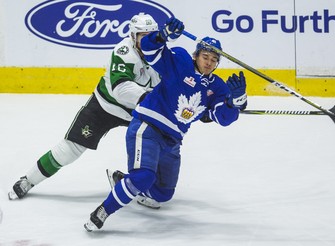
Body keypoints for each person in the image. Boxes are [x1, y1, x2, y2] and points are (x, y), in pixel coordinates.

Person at [84, 16, 248, 231]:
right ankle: (103, 211)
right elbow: (148, 48)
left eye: (213, 59)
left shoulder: (217, 87)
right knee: (144, 177)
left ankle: (124, 182)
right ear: (196, 55)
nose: (208, 62)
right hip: (148, 126)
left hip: (172, 141)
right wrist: (162, 35)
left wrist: (235, 101)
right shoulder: (179, 61)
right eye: (205, 56)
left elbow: (224, 118)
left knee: (162, 194)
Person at [7, 13, 162, 208]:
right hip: (105, 107)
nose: (147, 40)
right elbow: (121, 89)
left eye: (151, 35)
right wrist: (152, 99)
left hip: (138, 111)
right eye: (142, 35)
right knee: (69, 150)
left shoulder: (161, 55)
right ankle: (29, 179)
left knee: (157, 148)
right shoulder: (124, 52)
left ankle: (134, 185)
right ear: (133, 36)